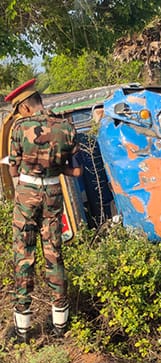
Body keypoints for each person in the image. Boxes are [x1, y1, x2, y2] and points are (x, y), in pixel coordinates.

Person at [5, 79, 81, 341]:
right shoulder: (65, 127)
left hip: (27, 195)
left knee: (24, 256)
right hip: (53, 194)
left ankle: (22, 328)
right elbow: (75, 168)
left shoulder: (19, 128)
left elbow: (13, 168)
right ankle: (60, 324)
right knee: (54, 253)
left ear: (24, 106)